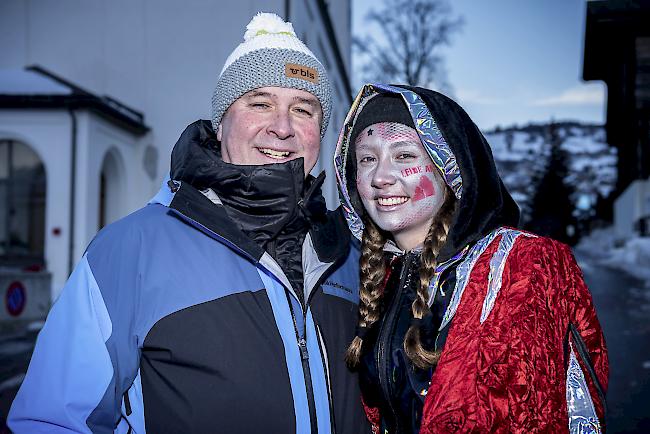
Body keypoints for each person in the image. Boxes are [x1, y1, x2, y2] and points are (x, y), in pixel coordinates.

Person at [9, 13, 369, 434]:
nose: (282, 127)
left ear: (320, 133)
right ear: (220, 124)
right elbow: (52, 421)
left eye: (303, 109)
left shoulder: (352, 254)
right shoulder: (130, 250)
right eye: (260, 103)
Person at [333, 83, 609, 434]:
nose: (381, 177)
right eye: (367, 159)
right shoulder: (375, 276)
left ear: (450, 167)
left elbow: (551, 414)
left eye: (404, 156)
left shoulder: (524, 265)